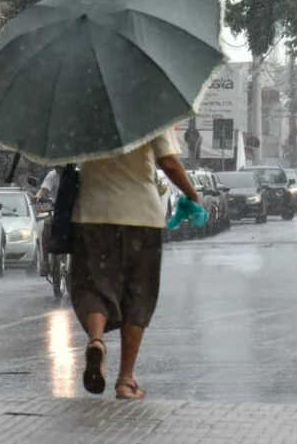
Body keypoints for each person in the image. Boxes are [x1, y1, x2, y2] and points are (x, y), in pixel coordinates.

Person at [71, 128, 200, 400]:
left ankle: (96, 340)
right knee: (137, 293)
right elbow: (169, 162)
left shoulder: (81, 112)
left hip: (93, 214)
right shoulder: (151, 112)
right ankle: (125, 380)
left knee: (94, 285)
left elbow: (65, 159)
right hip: (141, 215)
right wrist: (192, 194)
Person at [34, 166, 62, 275]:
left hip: (76, 213)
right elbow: (44, 190)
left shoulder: (79, 174)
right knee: (47, 225)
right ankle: (46, 263)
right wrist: (38, 196)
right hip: (58, 213)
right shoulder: (52, 175)